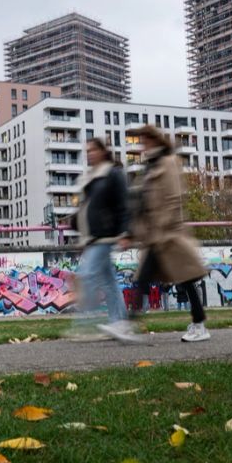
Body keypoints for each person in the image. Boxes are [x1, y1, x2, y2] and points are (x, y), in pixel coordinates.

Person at [104, 124, 210, 343]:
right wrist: (133, 233)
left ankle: (197, 324)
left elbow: (173, 198)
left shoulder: (168, 162)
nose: (143, 145)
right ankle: (130, 324)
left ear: (155, 140)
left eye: (145, 140)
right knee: (151, 279)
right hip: (155, 236)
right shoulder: (151, 166)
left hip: (168, 235)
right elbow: (142, 203)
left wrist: (162, 227)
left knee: (185, 279)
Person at [66, 138, 133, 341]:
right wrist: (83, 240)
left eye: (93, 150)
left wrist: (125, 233)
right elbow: (86, 210)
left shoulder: (112, 174)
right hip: (93, 238)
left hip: (106, 236)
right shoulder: (92, 178)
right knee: (110, 282)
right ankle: (120, 323)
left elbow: (124, 205)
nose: (89, 154)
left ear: (104, 151)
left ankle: (83, 327)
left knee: (87, 276)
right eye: (87, 150)